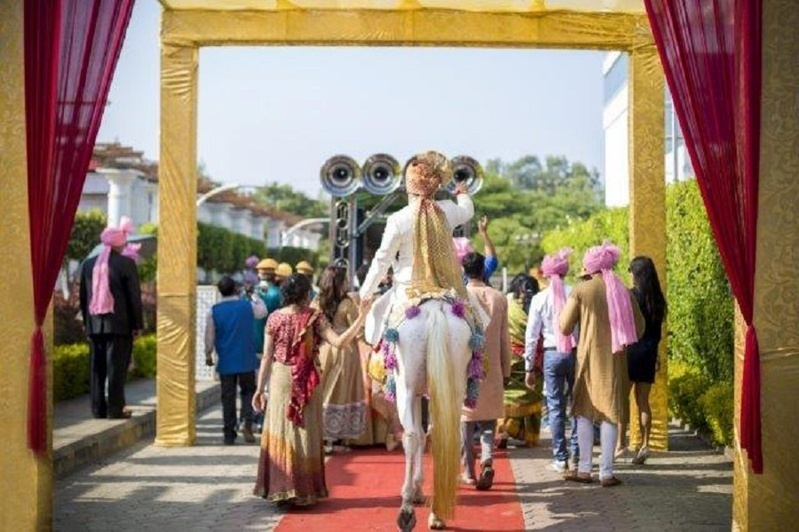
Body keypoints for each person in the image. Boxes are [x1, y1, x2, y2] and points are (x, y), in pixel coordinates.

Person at [252, 274, 370, 506]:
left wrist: (259, 389)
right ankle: (304, 492)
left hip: (280, 379)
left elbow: (267, 356)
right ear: (306, 294)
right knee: (306, 430)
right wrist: (362, 317)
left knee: (282, 429)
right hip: (307, 379)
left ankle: (281, 489)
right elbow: (339, 342)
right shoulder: (314, 318)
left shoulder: (274, 318)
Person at [359, 150, 477, 346]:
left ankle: (387, 372)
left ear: (408, 187)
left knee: (377, 327)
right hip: (446, 286)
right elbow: (468, 211)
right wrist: (463, 194)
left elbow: (382, 260)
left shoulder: (398, 219)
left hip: (407, 289)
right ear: (433, 186)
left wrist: (366, 293)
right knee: (476, 323)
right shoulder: (448, 208)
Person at [559, 241, 644, 487]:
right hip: (616, 361)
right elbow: (639, 327)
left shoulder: (581, 290)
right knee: (610, 414)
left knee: (584, 412)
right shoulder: (623, 290)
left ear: (589, 268)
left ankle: (584, 469)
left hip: (587, 359)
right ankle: (606, 473)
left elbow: (564, 326)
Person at [79, 217, 143, 420]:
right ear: (120, 243)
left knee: (96, 368)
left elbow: (83, 297)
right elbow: (134, 297)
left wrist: (87, 323)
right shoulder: (126, 263)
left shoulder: (89, 265)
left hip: (95, 324)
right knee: (116, 368)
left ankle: (98, 409)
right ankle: (115, 409)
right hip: (119, 325)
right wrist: (138, 325)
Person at [524, 248, 579, 472]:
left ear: (545, 275)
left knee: (555, 407)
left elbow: (531, 336)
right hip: (575, 353)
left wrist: (528, 367)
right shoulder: (575, 292)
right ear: (565, 272)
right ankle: (577, 455)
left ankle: (560, 458)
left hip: (551, 354)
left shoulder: (538, 299)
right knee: (577, 406)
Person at [460, 252, 511, 490]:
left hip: (465, 368)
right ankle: (488, 459)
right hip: (492, 368)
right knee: (489, 422)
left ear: (464, 270)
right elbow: (504, 339)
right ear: (483, 270)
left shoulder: (458, 298)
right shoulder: (499, 297)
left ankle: (469, 472)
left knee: (466, 422)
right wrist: (506, 369)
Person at [204, 275, 267, 445]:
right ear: (235, 289)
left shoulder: (213, 311)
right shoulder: (247, 306)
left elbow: (209, 335)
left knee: (227, 397)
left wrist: (208, 354)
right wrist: (252, 295)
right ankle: (247, 424)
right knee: (248, 392)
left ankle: (229, 433)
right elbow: (263, 311)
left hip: (226, 361)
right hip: (246, 358)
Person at [617, 255, 667, 464]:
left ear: (635, 273)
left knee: (622, 401)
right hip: (649, 351)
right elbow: (657, 333)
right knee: (643, 402)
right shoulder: (658, 298)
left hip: (630, 351)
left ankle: (621, 445)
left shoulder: (630, 296)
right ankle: (645, 445)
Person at [314, 265, 367, 452]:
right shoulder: (347, 304)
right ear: (340, 282)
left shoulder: (317, 302)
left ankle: (321, 436)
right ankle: (335, 441)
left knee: (323, 391)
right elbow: (359, 332)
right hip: (344, 351)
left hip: (322, 350)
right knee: (341, 392)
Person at [497, 274, 543, 448]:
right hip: (536, 360)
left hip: (512, 359)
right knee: (531, 397)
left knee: (508, 395)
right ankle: (528, 435)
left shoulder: (507, 305)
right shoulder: (539, 304)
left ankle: (504, 428)